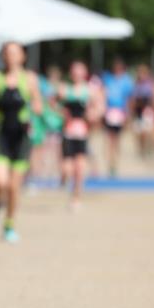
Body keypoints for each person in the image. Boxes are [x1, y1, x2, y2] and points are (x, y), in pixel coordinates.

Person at [0, 41, 42, 243]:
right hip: (2, 136)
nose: (11, 57)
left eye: (15, 53)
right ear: (3, 56)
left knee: (14, 187)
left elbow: (37, 104)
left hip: (22, 138)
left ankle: (9, 224)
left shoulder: (30, 79)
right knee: (0, 182)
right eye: (7, 53)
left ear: (22, 56)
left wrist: (36, 109)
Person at [57, 60, 104, 211]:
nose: (77, 74)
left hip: (82, 133)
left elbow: (100, 108)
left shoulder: (90, 90)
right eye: (74, 71)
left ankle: (76, 197)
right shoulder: (64, 89)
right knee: (67, 169)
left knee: (80, 168)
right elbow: (51, 103)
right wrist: (61, 113)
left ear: (85, 73)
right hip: (68, 132)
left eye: (80, 71)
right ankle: (64, 180)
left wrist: (93, 115)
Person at [101, 58, 134, 177]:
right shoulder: (108, 79)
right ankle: (110, 163)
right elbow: (103, 94)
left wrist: (127, 114)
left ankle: (115, 163)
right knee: (109, 138)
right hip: (109, 111)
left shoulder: (126, 81)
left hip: (120, 112)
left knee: (116, 139)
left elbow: (129, 99)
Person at [132, 64, 154, 158]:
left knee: (148, 131)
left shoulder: (150, 84)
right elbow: (133, 99)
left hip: (147, 110)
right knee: (139, 132)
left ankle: (148, 147)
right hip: (138, 111)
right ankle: (142, 148)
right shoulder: (136, 84)